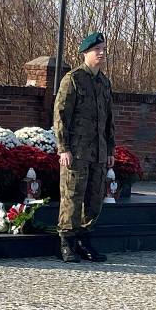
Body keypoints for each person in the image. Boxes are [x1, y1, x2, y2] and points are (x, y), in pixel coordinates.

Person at [53, 32, 115, 263]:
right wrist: (63, 148)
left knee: (94, 198)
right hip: (77, 151)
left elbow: (109, 119)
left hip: (98, 151)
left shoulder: (104, 82)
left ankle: (84, 240)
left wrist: (110, 150)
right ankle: (66, 242)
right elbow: (61, 116)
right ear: (85, 53)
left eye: (103, 49)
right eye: (96, 49)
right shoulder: (73, 79)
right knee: (72, 195)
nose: (101, 53)